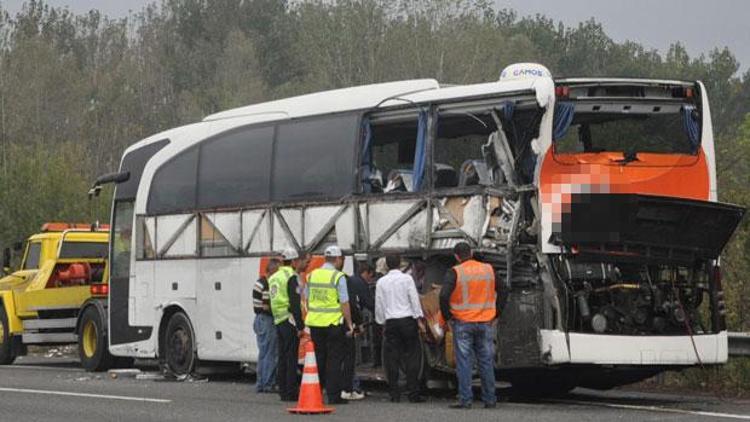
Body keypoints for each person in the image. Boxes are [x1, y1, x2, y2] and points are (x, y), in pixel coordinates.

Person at [439, 242, 499, 409]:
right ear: (471, 252)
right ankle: (490, 399)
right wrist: (497, 313)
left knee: (464, 362)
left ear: (456, 256)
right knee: (486, 361)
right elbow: (504, 290)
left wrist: (447, 317)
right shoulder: (488, 269)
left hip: (463, 323)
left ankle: (465, 400)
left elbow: (444, 296)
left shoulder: (455, 272)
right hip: (485, 323)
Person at [304, 245, 354, 405]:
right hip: (333, 324)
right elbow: (344, 303)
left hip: (315, 324)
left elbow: (306, 298)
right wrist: (349, 323)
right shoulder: (338, 277)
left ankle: (316, 390)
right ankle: (333, 395)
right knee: (334, 359)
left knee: (319, 358)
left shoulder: (311, 275)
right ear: (338, 259)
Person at [375, 253, 426, 403]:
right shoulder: (407, 279)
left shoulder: (381, 282)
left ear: (386, 265)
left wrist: (382, 322)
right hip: (408, 321)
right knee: (412, 356)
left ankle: (394, 393)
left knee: (392, 358)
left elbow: (380, 304)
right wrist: (419, 319)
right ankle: (413, 393)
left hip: (391, 322)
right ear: (400, 264)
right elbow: (414, 300)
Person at [269, 248, 306, 402]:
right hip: (289, 318)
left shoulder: (274, 276)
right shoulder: (291, 276)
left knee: (282, 356)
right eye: (297, 260)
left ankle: (282, 389)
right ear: (293, 261)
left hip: (277, 319)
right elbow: (295, 303)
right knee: (291, 357)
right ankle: (291, 391)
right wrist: (300, 326)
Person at [340, 261, 375, 401]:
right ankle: (349, 388)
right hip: (348, 324)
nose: (370, 281)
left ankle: (349, 386)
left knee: (341, 356)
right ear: (366, 273)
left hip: (336, 322)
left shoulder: (349, 280)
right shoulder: (360, 283)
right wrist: (359, 323)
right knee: (350, 356)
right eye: (370, 277)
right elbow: (367, 303)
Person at [253, 258, 281, 393]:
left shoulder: (259, 282)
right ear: (273, 270)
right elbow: (265, 306)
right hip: (267, 320)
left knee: (263, 353)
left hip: (259, 320)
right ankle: (268, 383)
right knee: (270, 353)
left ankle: (261, 383)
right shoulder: (268, 284)